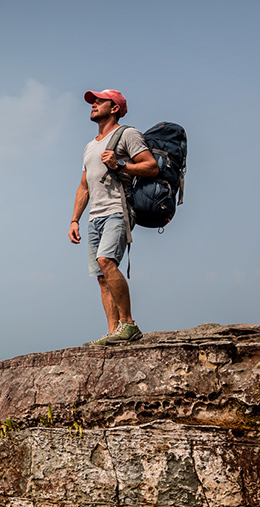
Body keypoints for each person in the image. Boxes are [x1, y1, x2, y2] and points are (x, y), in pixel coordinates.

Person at [68, 89, 158, 346]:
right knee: (100, 275)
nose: (93, 105)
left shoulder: (127, 134)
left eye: (99, 101)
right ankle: (113, 333)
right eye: (92, 102)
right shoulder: (90, 145)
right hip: (94, 216)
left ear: (115, 108)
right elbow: (83, 186)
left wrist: (120, 165)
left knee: (106, 260)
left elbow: (151, 166)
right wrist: (75, 220)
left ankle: (128, 324)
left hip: (117, 210)